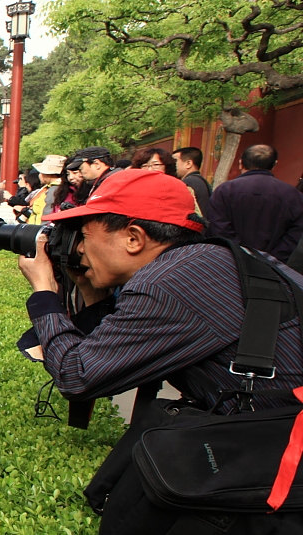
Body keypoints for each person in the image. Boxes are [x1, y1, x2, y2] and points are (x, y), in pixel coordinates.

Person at [18, 168, 303, 409]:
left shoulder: (169, 285)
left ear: (134, 238)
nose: (79, 249)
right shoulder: (211, 261)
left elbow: (76, 376)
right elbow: (110, 354)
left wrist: (44, 291)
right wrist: (93, 297)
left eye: (84, 236)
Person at [209, 144, 303, 262]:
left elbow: (218, 226)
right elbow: (296, 232)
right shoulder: (293, 195)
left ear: (240, 163)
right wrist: (274, 258)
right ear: (274, 164)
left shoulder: (225, 190)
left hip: (232, 262)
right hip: (274, 267)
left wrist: (239, 253)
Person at [172, 146, 211, 221]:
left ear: (188, 164)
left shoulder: (189, 182)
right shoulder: (199, 180)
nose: (171, 165)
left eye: (175, 161)